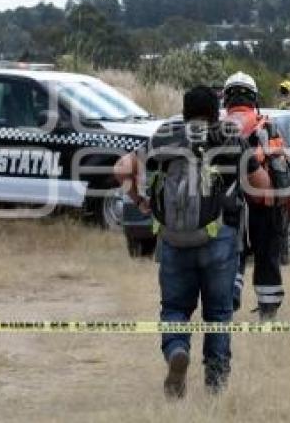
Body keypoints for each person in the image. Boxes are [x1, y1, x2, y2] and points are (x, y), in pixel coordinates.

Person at [114, 85, 270, 398]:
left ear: (184, 112)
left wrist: (140, 200)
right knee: (218, 314)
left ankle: (176, 350)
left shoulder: (163, 136)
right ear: (217, 112)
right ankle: (215, 386)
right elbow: (263, 187)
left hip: (172, 239)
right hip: (220, 240)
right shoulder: (229, 137)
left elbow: (121, 168)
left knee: (174, 307)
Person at [223, 71, 290, 321]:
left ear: (226, 98)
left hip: (229, 202)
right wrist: (288, 205)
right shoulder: (266, 124)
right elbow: (281, 165)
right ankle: (268, 309)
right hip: (265, 201)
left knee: (232, 252)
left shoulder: (220, 127)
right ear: (253, 97)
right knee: (267, 255)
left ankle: (230, 297)